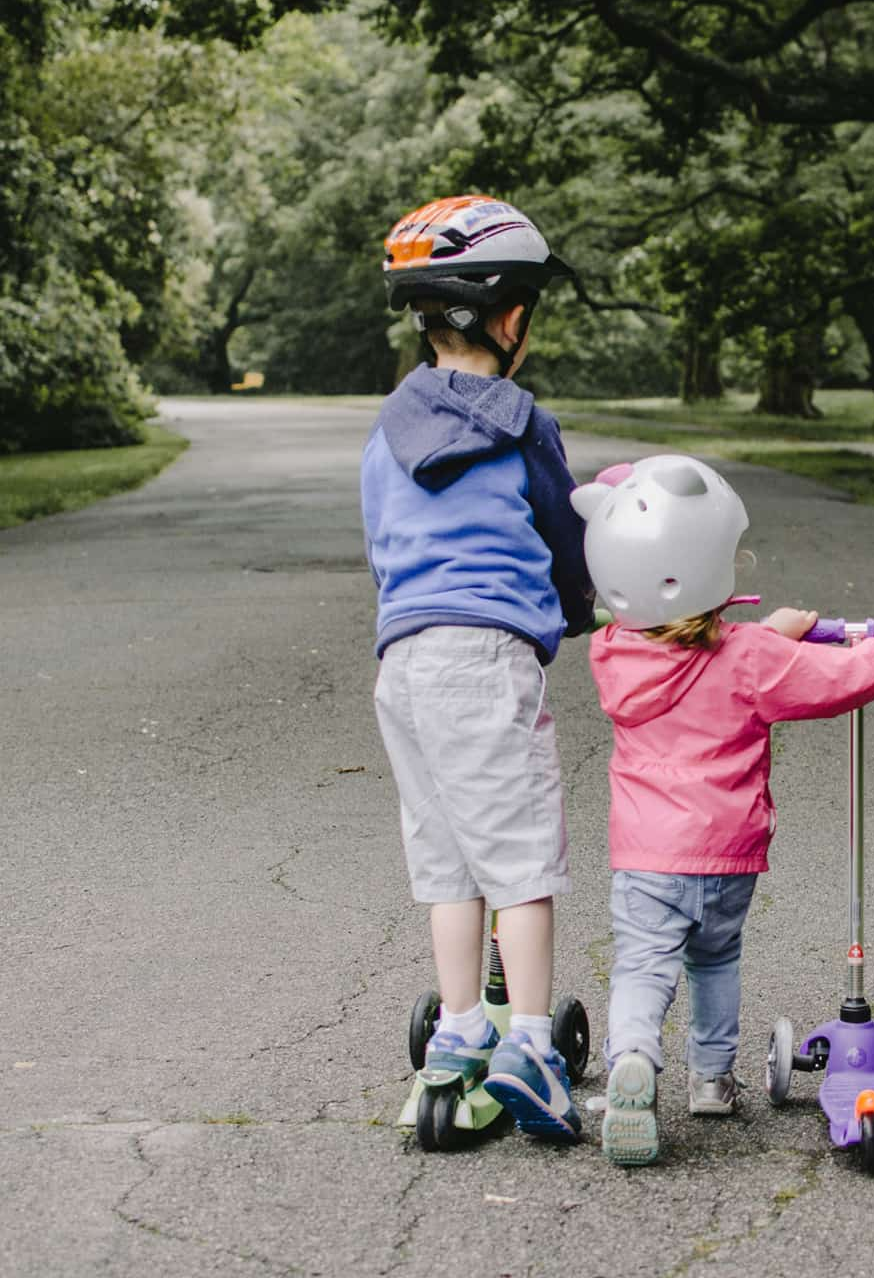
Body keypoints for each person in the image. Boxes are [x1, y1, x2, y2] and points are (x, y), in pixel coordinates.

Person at [569, 455, 874, 1166]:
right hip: (727, 853)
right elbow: (831, 680)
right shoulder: (750, 657)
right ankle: (710, 1081)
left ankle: (633, 1061)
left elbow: (691, 647)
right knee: (716, 961)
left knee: (644, 966)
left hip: (646, 853)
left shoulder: (615, 652)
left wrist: (770, 631)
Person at [362, 195, 593, 1143]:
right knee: (521, 859)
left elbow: (382, 541)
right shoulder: (521, 423)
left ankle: (458, 1030)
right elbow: (566, 532)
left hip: (404, 661)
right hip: (484, 658)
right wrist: (583, 611)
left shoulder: (386, 430)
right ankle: (532, 1043)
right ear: (509, 319)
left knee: (448, 860)